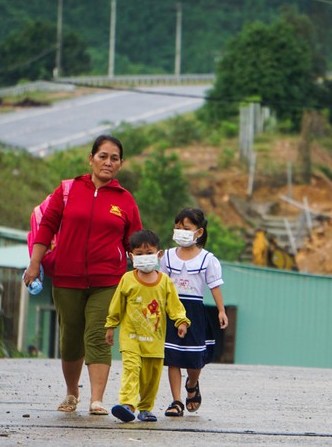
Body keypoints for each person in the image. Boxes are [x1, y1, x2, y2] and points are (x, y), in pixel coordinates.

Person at [23, 134, 142, 416]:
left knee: (99, 335)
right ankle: (72, 392)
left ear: (121, 164)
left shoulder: (125, 200)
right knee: (71, 337)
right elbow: (47, 227)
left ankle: (97, 399)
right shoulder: (67, 190)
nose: (108, 162)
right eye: (103, 156)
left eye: (114, 158)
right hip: (66, 278)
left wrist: (142, 275)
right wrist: (34, 264)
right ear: (91, 159)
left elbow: (135, 242)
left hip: (107, 281)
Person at [105, 229, 190, 423]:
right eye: (139, 254)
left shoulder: (165, 283)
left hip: (155, 341)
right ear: (131, 256)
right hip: (131, 338)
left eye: (149, 253)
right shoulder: (127, 280)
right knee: (131, 369)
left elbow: (174, 305)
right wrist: (111, 326)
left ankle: (145, 408)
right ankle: (127, 404)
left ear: (159, 254)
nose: (145, 257)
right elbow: (117, 305)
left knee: (151, 377)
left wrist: (181, 321)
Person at [160, 208, 228, 416]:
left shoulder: (207, 259)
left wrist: (221, 311)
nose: (180, 231)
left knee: (194, 358)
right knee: (172, 357)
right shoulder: (168, 256)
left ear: (198, 232)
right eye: (178, 227)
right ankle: (176, 401)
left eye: (186, 228)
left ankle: (192, 383)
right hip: (172, 310)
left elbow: (214, 286)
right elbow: (160, 285)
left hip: (194, 311)